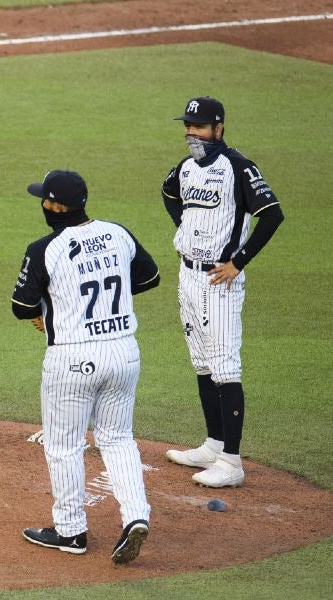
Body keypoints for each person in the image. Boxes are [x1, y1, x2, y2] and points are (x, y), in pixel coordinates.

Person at [11, 170, 160, 564]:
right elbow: (149, 276)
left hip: (72, 359)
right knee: (117, 439)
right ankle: (136, 517)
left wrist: (59, 307)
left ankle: (71, 531)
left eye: (44, 199)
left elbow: (22, 307)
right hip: (124, 353)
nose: (41, 204)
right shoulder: (117, 233)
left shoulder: (44, 248)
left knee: (63, 445)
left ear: (55, 207)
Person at [161, 97, 284, 488]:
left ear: (219, 128)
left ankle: (231, 463)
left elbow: (272, 214)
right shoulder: (184, 169)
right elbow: (168, 193)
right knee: (201, 363)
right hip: (188, 277)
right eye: (187, 126)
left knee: (225, 368)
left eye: (198, 126)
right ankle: (214, 444)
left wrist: (238, 261)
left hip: (220, 281)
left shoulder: (238, 167)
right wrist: (187, 228)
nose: (190, 133)